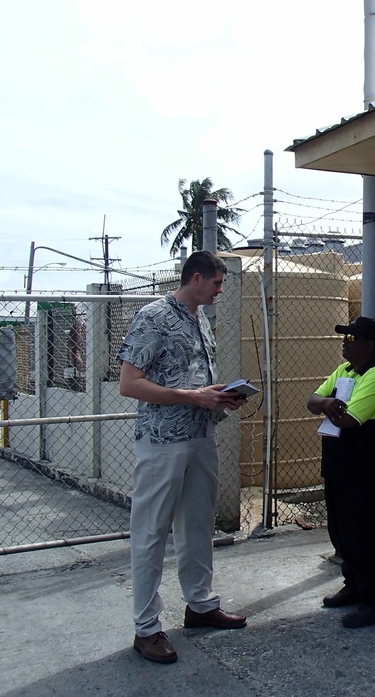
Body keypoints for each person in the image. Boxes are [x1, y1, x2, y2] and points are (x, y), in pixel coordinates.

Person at [118, 251, 248, 664]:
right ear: (196, 278)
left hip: (200, 437)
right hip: (162, 443)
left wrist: (220, 396)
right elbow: (129, 383)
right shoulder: (153, 316)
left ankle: (201, 604)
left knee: (197, 525)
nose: (220, 290)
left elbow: (194, 379)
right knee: (152, 532)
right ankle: (147, 627)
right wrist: (192, 396)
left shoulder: (200, 321)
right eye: (217, 283)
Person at [307, 316, 375, 629]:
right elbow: (312, 400)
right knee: (342, 530)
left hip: (364, 469)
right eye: (346, 338)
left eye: (352, 339)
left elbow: (349, 419)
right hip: (339, 465)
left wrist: (329, 406)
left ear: (369, 346)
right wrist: (330, 402)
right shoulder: (344, 371)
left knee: (365, 533)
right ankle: (354, 585)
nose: (345, 343)